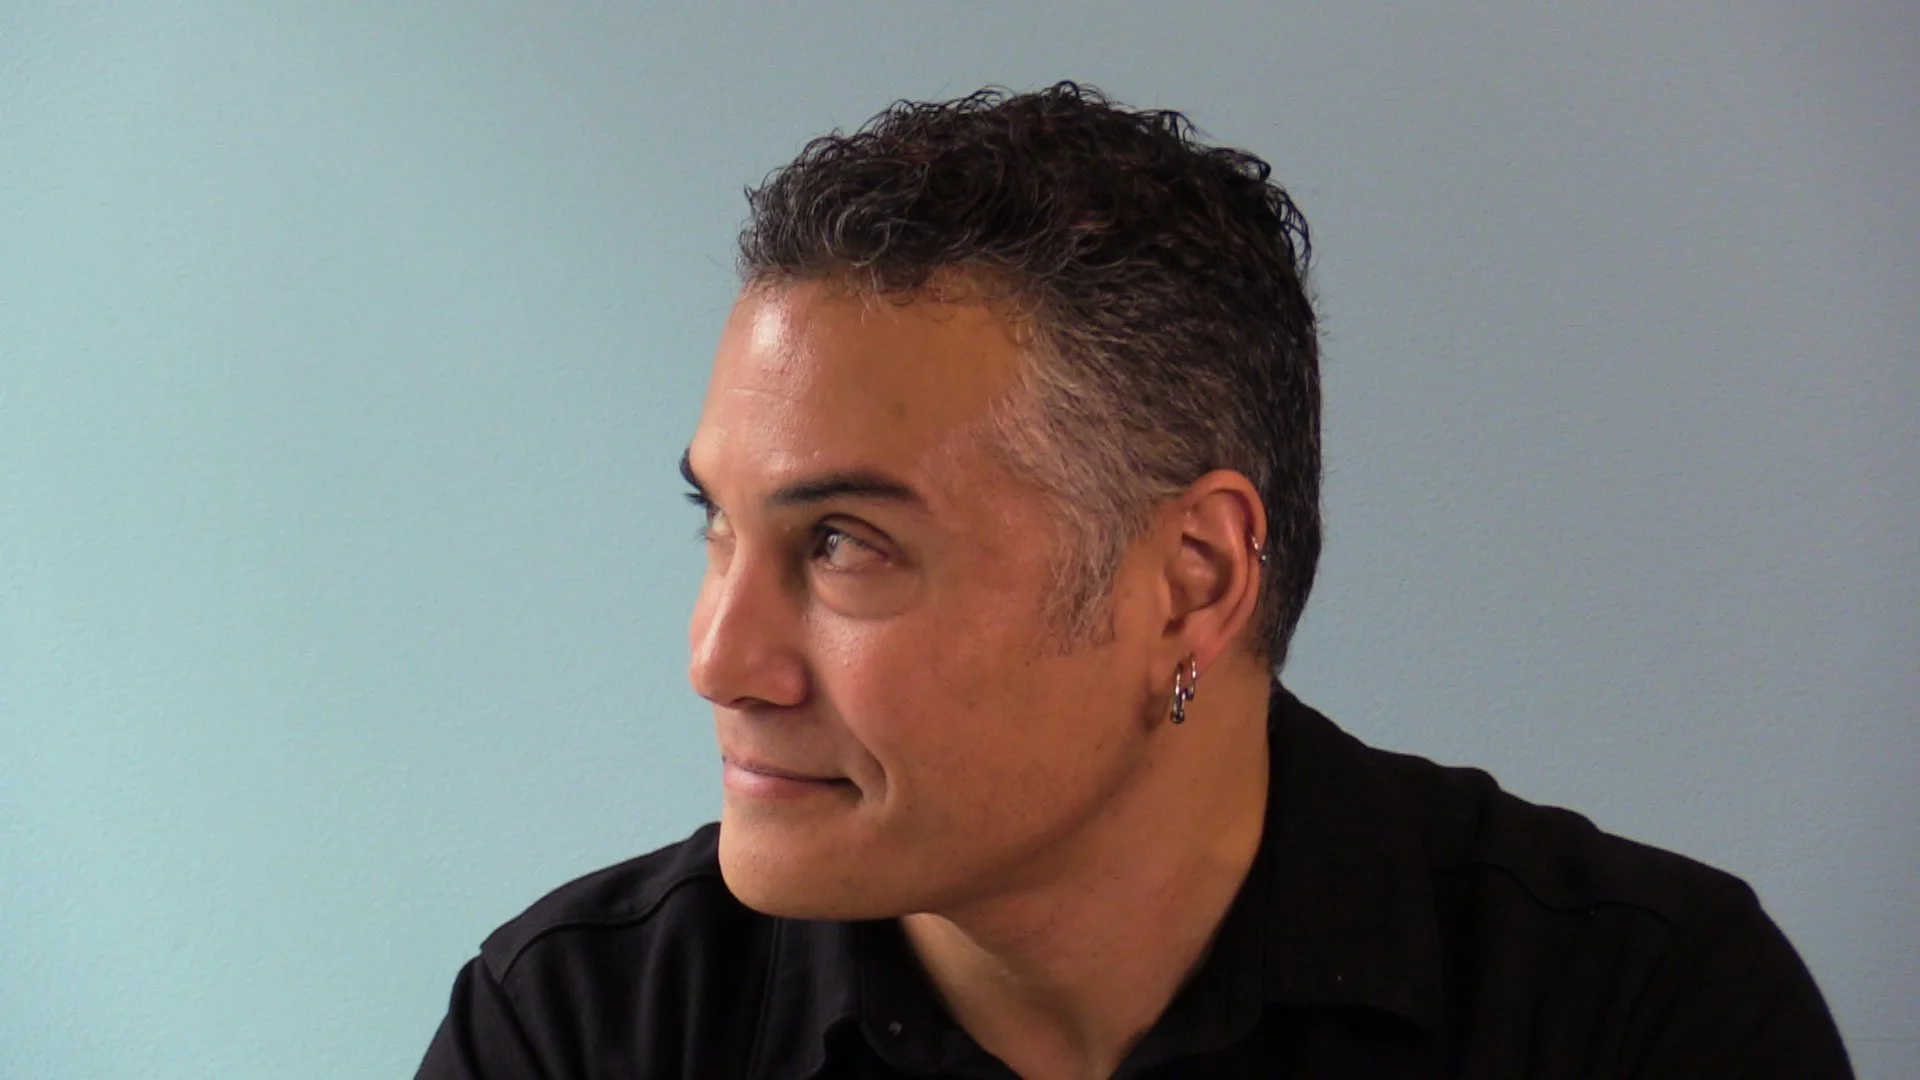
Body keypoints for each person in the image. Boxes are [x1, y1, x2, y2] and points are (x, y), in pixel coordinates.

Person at [415, 82, 1852, 1079]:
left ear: (1192, 581)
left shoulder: (1636, 1019)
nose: (720, 660)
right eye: (716, 525)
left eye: (843, 544)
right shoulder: (576, 1033)